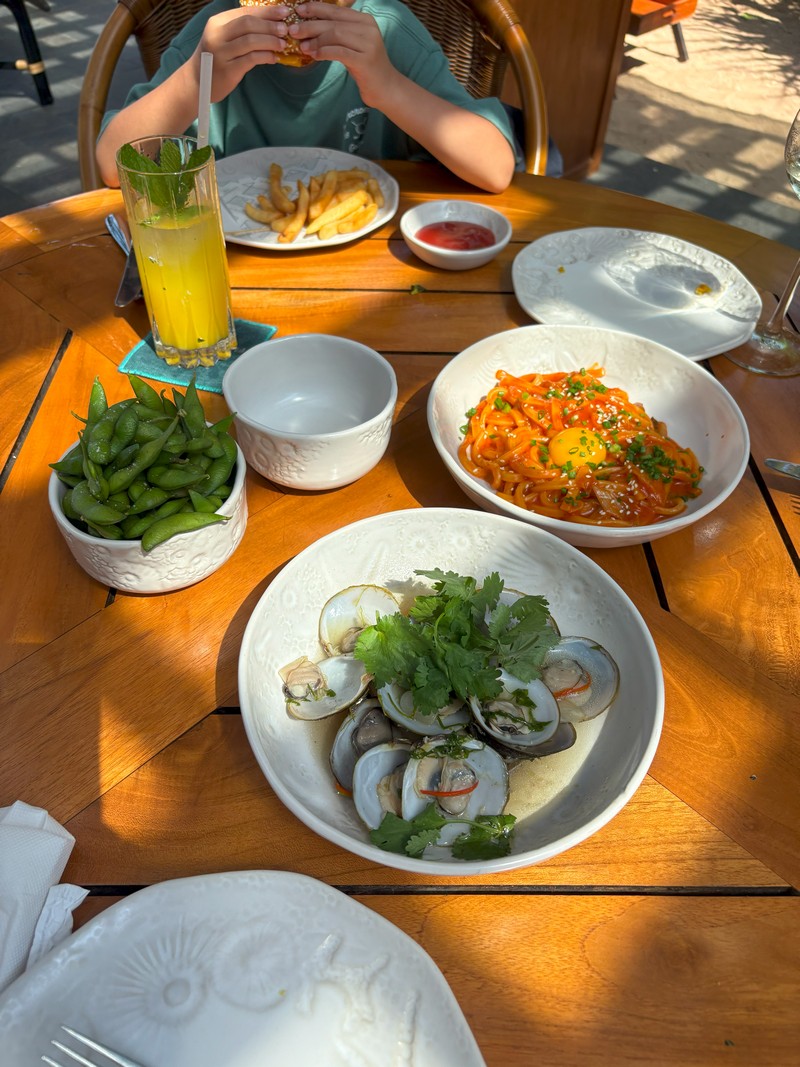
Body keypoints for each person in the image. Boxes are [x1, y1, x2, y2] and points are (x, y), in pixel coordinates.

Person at [96, 0, 519, 193]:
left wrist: (388, 86)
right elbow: (114, 166)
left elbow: (495, 169)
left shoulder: (389, 32)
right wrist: (195, 81)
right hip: (232, 262)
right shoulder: (215, 35)